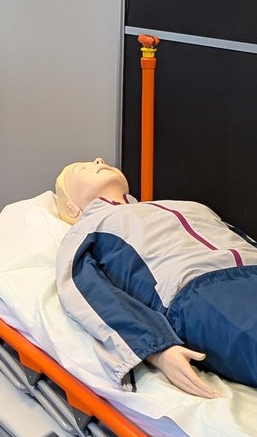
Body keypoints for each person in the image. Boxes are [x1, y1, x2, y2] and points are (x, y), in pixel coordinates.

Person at [54, 158, 257, 399]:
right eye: (82, 167)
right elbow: (91, 292)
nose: (99, 160)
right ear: (71, 208)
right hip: (203, 292)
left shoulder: (192, 207)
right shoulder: (88, 229)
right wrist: (156, 348)